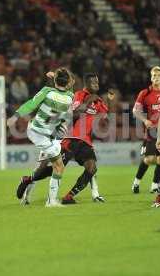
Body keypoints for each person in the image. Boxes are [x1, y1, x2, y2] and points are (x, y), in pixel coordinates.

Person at [16, 73, 115, 205]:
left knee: (92, 168)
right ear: (87, 84)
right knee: (53, 168)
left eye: (97, 82)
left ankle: (69, 196)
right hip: (69, 138)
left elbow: (108, 116)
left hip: (85, 141)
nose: (97, 85)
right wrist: (88, 101)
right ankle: (28, 179)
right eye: (93, 83)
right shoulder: (78, 95)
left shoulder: (98, 101)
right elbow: (72, 114)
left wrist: (109, 100)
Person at [7, 68, 74, 207]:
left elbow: (31, 104)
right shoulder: (70, 97)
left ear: (55, 81)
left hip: (37, 131)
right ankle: (51, 201)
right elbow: (69, 86)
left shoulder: (47, 91)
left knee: (40, 168)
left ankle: (26, 194)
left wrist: (15, 116)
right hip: (42, 135)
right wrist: (56, 77)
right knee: (59, 166)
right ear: (67, 82)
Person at [131, 66, 160, 194]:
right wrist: (145, 120)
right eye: (154, 75)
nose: (156, 78)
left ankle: (154, 185)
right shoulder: (145, 93)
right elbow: (135, 111)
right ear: (151, 78)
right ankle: (136, 182)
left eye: (159, 75)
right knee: (149, 159)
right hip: (151, 131)